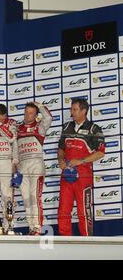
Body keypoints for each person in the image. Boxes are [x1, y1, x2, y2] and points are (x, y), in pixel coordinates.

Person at [57, 98, 105, 236]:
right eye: (71, 109)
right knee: (63, 210)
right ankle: (65, 241)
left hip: (83, 176)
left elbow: (100, 153)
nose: (71, 112)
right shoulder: (66, 127)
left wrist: (81, 160)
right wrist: (60, 160)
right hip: (66, 175)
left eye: (75, 109)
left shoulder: (94, 128)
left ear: (84, 111)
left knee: (84, 210)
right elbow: (61, 148)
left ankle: (87, 241)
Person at [17, 102, 52, 235]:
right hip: (22, 166)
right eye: (26, 112)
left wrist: (40, 106)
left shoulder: (40, 127)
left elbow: (48, 117)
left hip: (36, 165)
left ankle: (37, 228)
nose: (27, 115)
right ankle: (31, 228)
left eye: (31, 112)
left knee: (34, 197)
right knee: (26, 198)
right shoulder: (18, 128)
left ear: (36, 115)